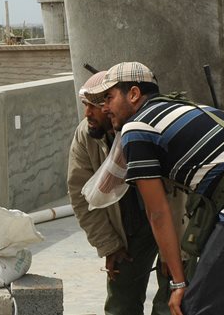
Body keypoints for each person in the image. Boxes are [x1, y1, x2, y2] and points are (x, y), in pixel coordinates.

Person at [87, 61, 224, 315]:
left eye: (109, 97)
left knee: (191, 308)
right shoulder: (186, 107)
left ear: (134, 94)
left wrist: (179, 282)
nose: (104, 107)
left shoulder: (136, 128)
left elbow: (158, 213)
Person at [68, 71, 185, 315]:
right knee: (121, 305)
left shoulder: (151, 128)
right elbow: (81, 196)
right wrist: (109, 245)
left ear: (112, 105)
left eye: (95, 106)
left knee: (172, 301)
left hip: (171, 224)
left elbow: (176, 200)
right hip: (129, 227)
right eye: (85, 106)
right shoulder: (86, 135)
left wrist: (172, 254)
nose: (87, 113)